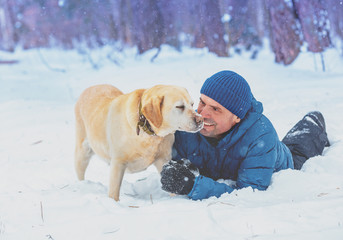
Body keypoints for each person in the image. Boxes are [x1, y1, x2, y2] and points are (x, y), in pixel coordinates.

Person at [160, 70, 330, 200]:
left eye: (215, 109)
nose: (202, 114)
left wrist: (193, 186)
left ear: (237, 117)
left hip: (284, 160)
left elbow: (251, 193)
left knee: (304, 140)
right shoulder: (188, 126)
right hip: (255, 157)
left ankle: (314, 120)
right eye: (202, 102)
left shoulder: (260, 136)